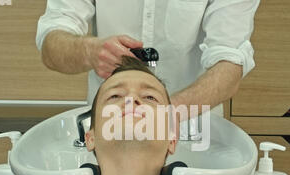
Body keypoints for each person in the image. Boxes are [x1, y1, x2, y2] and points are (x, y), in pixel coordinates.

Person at [4, 56, 250, 175]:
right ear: (91, 137)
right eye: (115, 96)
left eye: (149, 97)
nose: (132, 101)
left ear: (171, 140)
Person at [36, 0, 260, 118]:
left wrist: (167, 114)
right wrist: (89, 51)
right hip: (109, 129)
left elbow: (229, 63)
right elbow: (51, 44)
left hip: (192, 129)